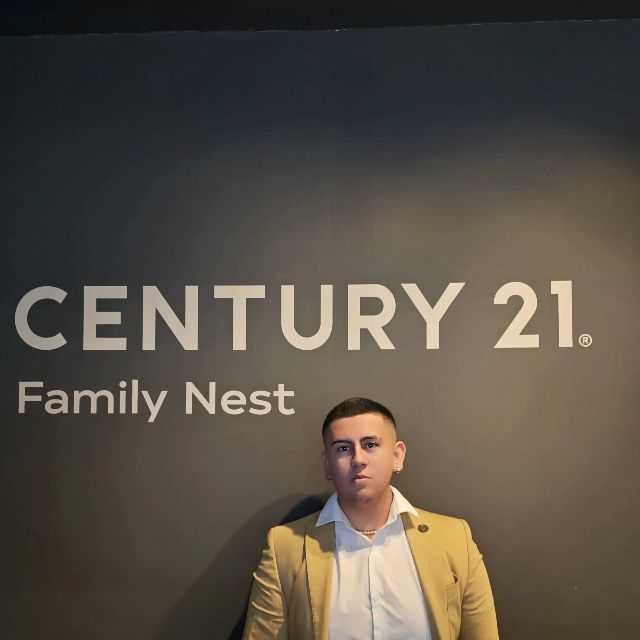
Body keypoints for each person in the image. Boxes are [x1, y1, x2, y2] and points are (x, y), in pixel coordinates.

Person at [242, 397, 499, 639]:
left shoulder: (455, 539)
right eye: (343, 448)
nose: (358, 459)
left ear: (397, 456)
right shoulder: (285, 547)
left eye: (370, 445)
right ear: (328, 464)